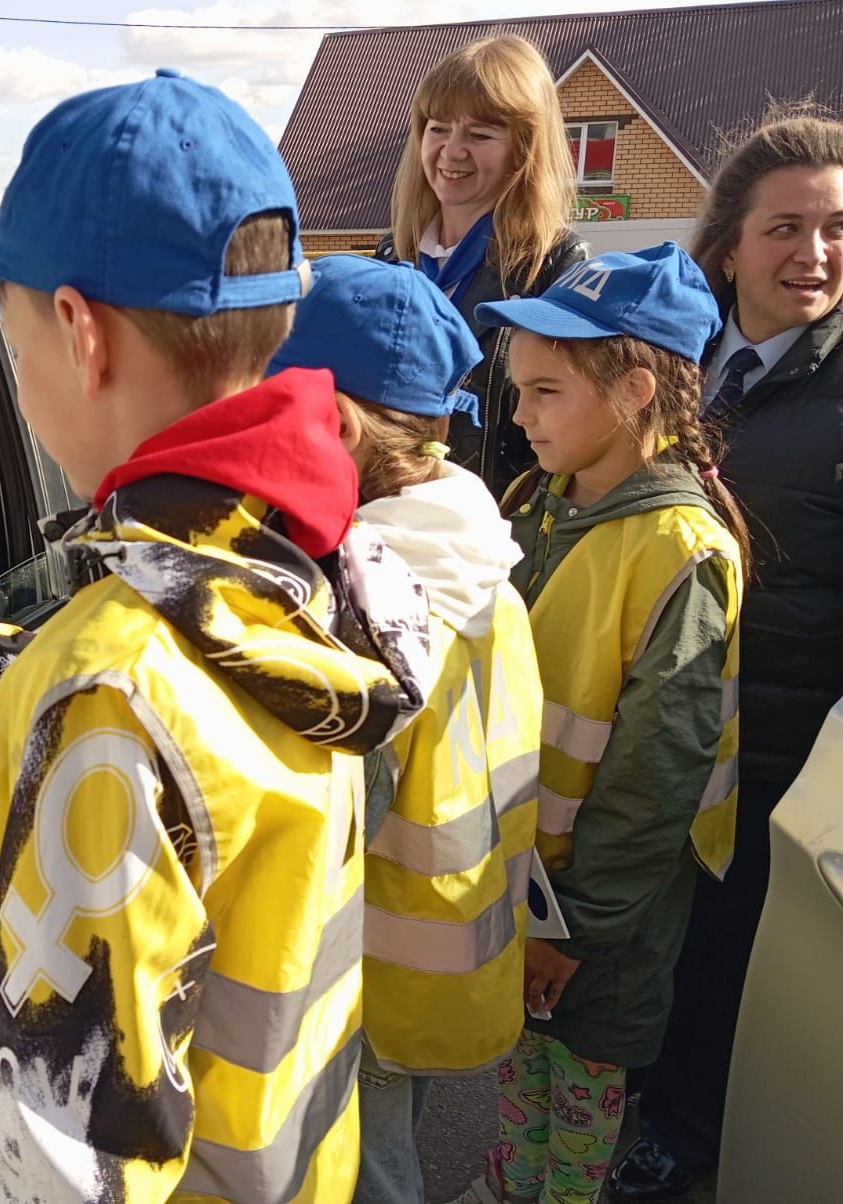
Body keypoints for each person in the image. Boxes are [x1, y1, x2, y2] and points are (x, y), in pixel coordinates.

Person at [0, 70, 433, 1202]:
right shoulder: (299, 568)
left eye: (16, 341)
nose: (13, 384)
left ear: (80, 334)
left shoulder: (115, 690)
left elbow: (65, 1159)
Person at [467, 243, 747, 1204]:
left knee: (578, 1108)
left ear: (633, 391)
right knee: (520, 1083)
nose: (516, 415)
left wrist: (573, 931)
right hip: (531, 889)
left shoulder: (679, 550)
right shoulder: (543, 504)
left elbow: (653, 781)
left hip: (600, 921)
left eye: (545, 391)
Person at [267, 255, 543, 1204]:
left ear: (334, 422)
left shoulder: (371, 596)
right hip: (446, 954)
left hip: (369, 974)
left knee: (366, 1178)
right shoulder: (476, 551)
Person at [608, 112, 843, 1203]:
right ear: (730, 245)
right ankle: (632, 1116)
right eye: (784, 227)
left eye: (836, 227)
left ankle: (679, 1146)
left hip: (782, 750)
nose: (814, 253)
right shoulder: (679, 360)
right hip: (660, 724)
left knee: (726, 969)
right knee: (652, 944)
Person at [376, 34, 587, 496]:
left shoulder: (555, 270)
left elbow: (564, 440)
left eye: (479, 134)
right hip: (386, 522)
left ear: (524, 149)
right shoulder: (392, 259)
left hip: (492, 536)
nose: (452, 151)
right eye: (438, 128)